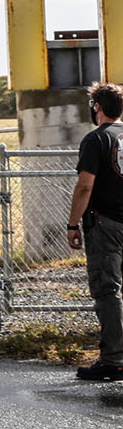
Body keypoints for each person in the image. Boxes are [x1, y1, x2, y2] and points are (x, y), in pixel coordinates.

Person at [67, 82, 123, 381]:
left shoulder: (96, 139)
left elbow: (85, 185)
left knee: (108, 290)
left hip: (105, 223)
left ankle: (113, 358)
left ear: (97, 108)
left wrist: (73, 223)